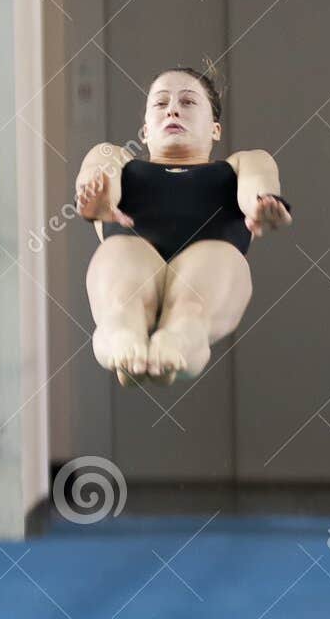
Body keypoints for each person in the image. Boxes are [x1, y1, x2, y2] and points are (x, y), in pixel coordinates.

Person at [75, 65, 291, 386]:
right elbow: (98, 173)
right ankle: (122, 337)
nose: (173, 109)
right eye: (160, 104)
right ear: (145, 130)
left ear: (215, 129)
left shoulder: (245, 162)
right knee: (122, 297)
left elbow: (257, 184)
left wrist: (261, 205)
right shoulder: (115, 157)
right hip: (132, 256)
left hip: (210, 263)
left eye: (188, 102)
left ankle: (177, 341)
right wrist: (98, 196)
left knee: (191, 306)